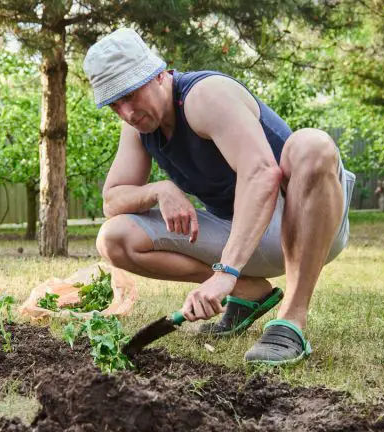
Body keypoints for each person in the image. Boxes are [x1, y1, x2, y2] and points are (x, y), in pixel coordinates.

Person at [83, 28, 356, 366]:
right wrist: (159, 189)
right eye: (114, 104)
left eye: (129, 95)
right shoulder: (140, 129)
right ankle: (248, 293)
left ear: (156, 75)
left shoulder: (203, 96)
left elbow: (261, 174)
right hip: (243, 236)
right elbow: (112, 199)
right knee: (115, 238)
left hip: (305, 222)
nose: (126, 112)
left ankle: (290, 320)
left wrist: (226, 269)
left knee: (311, 145)